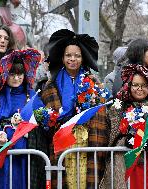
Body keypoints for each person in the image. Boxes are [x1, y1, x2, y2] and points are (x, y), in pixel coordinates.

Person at [41, 29, 110, 188]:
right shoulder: (52, 84)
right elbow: (49, 112)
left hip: (88, 142)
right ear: (62, 57)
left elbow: (101, 114)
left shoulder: (93, 83)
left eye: (77, 56)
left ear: (83, 57)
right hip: (62, 140)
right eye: (68, 56)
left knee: (86, 181)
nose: (73, 59)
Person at [99, 64, 148, 189]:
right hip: (124, 161)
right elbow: (111, 135)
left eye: (144, 85)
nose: (140, 89)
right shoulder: (118, 107)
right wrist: (128, 138)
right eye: (135, 85)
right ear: (129, 86)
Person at [0, 48, 40, 189]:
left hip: (25, 154)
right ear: (4, 74)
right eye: (12, 74)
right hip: (2, 156)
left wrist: (26, 130)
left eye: (20, 74)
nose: (16, 78)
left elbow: (40, 124)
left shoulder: (33, 96)